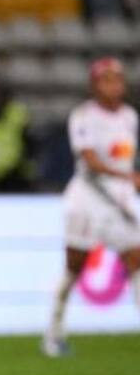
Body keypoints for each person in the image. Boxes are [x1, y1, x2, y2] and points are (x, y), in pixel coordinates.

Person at [44, 57, 140, 357]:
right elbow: (90, 160)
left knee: (136, 259)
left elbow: (126, 157)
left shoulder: (129, 117)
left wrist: (127, 179)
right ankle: (54, 333)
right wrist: (127, 175)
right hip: (88, 199)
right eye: (106, 79)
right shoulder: (84, 116)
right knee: (74, 268)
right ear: (95, 85)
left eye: (117, 79)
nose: (114, 85)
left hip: (119, 201)